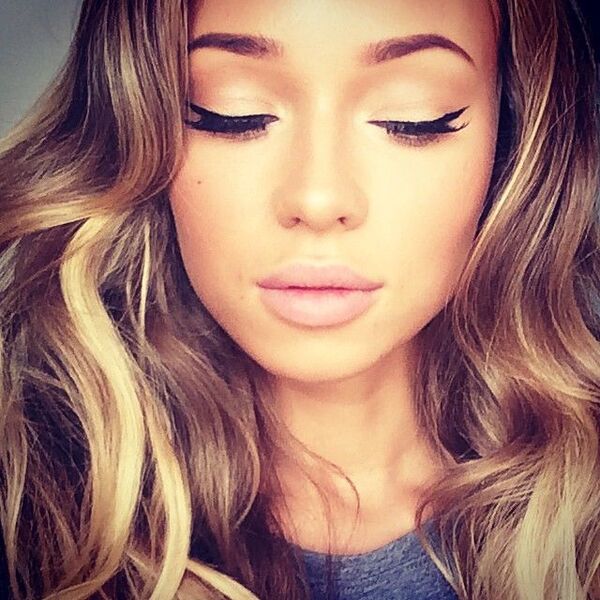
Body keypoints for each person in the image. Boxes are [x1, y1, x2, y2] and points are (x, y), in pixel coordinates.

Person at [0, 0, 598, 598]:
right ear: (138, 133)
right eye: (233, 112)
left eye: (412, 117)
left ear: (511, 142)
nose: (317, 198)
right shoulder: (31, 503)